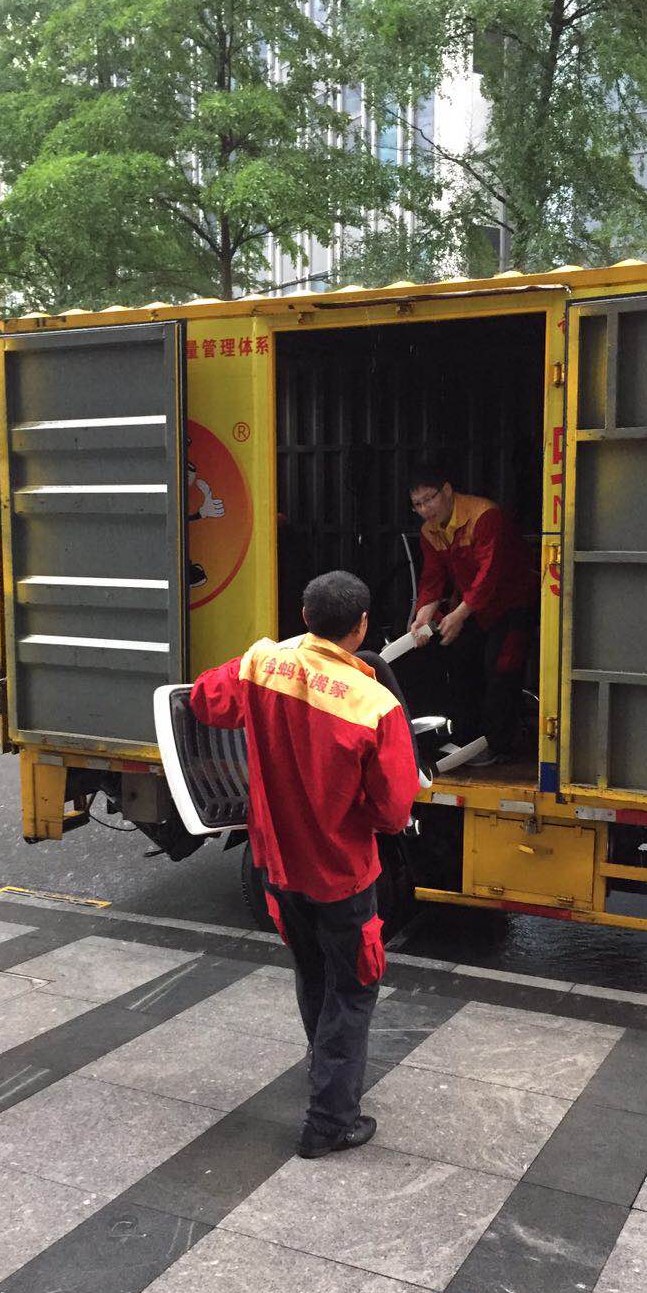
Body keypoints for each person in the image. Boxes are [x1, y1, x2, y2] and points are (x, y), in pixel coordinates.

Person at [189, 570, 419, 1159]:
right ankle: (330, 1121)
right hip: (341, 873)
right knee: (353, 988)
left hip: (276, 865)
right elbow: (393, 811)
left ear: (304, 616)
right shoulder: (375, 704)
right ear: (361, 625)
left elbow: (203, 699)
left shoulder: (263, 664)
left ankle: (323, 1071)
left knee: (312, 971)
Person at [408, 459, 536, 763]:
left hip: (511, 604)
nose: (425, 509)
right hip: (473, 609)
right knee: (460, 666)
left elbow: (489, 575)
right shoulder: (429, 531)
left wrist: (459, 614)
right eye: (417, 504)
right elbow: (433, 577)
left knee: (501, 670)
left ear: (447, 490)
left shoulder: (485, 516)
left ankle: (499, 746)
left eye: (429, 499)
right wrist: (423, 612)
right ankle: (466, 741)